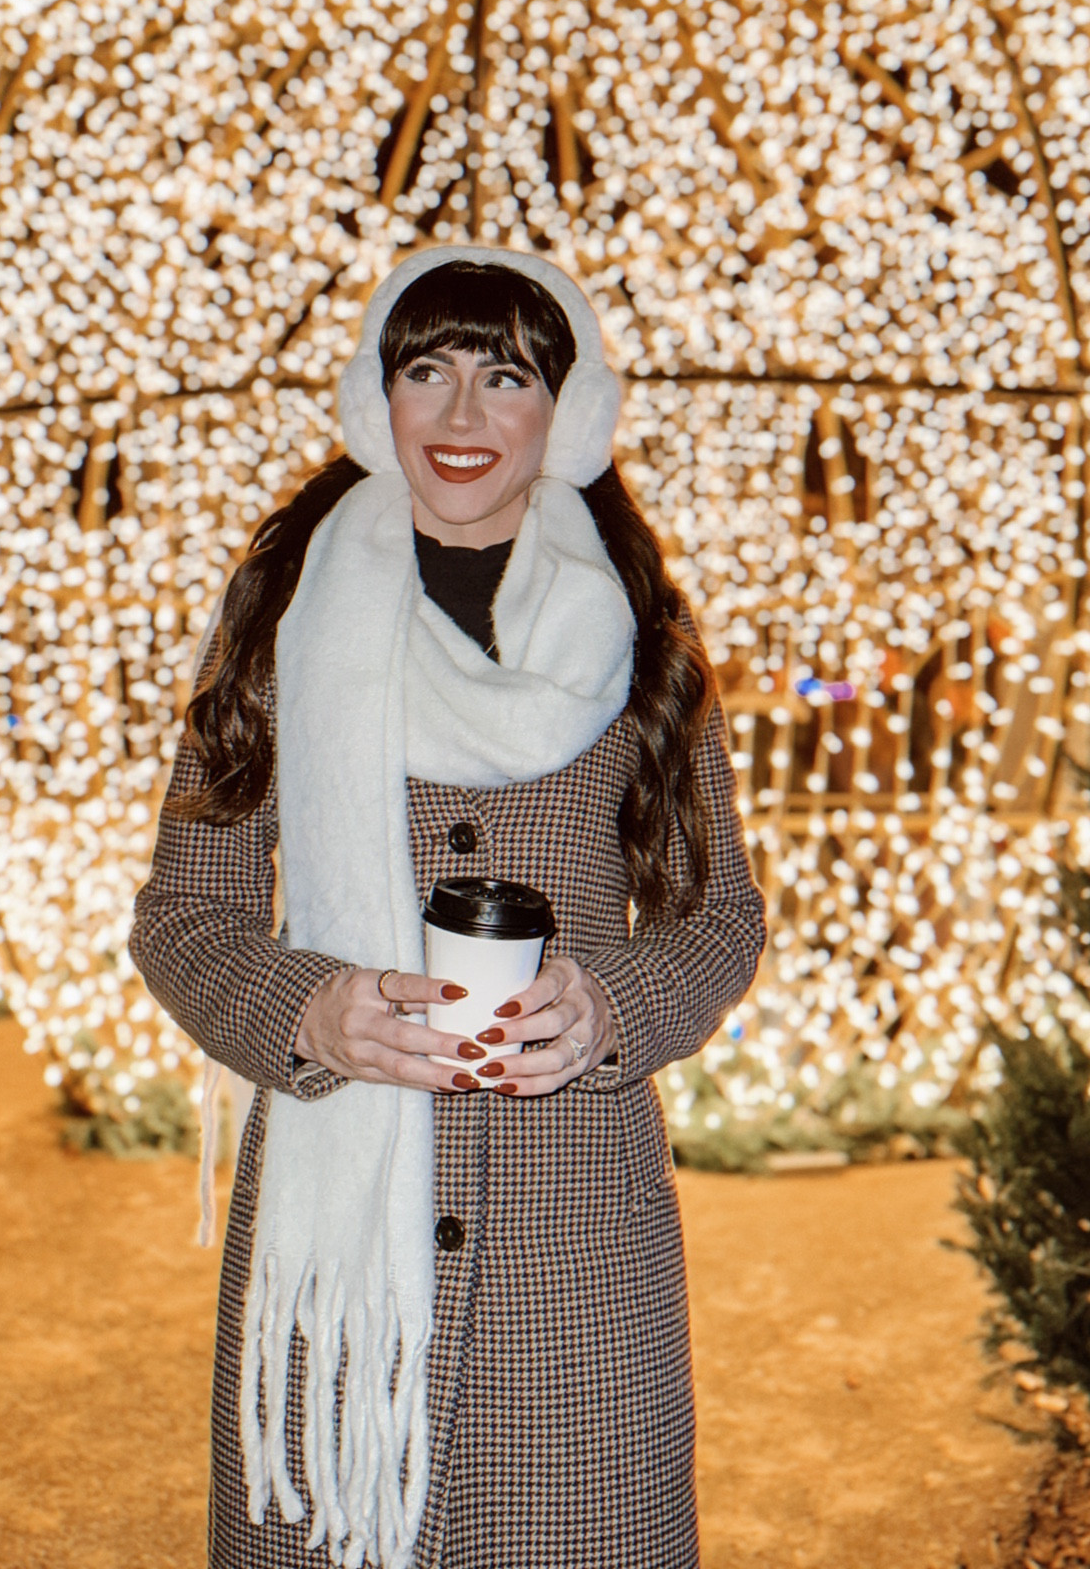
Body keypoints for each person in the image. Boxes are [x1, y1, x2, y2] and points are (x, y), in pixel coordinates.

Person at [130, 247, 766, 1569]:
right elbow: (184, 915)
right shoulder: (279, 619)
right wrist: (310, 1012)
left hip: (574, 1255)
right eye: (427, 369)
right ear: (380, 396)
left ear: (566, 411)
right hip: (334, 1260)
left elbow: (718, 923)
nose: (462, 414)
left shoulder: (645, 633)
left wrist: (610, 1006)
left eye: (507, 376)